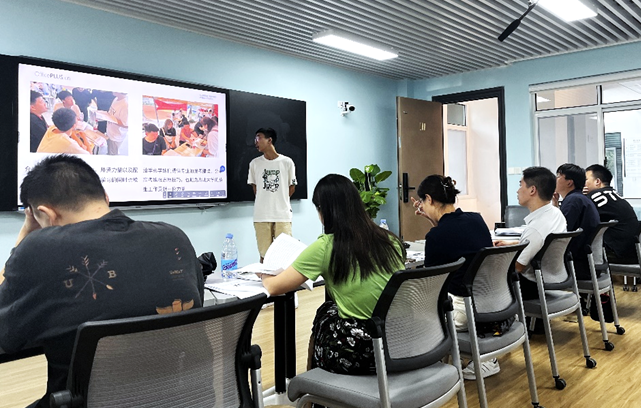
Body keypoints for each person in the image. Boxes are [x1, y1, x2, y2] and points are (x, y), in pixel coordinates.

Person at [0, 155, 204, 408]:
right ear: (106, 198)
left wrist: (24, 236)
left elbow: (6, 334)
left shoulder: (39, 248)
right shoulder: (175, 237)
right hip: (185, 399)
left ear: (45, 214)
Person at [259, 174, 406, 374]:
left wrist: (263, 272)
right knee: (329, 310)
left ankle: (313, 384)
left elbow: (274, 287)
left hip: (365, 349)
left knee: (324, 315)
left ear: (324, 210)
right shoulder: (389, 240)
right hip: (402, 339)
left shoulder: (326, 246)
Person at [410, 175, 495, 380]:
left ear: (429, 199)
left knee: (409, 308)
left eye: (422, 202)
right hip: (489, 303)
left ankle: (425, 368)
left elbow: (431, 287)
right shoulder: (476, 219)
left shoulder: (436, 237)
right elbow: (451, 232)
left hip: (461, 312)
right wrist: (432, 219)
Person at [495, 167, 567, 300]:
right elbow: (542, 244)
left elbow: (518, 267)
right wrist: (515, 244)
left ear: (532, 190)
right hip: (551, 278)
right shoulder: (556, 213)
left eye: (520, 185)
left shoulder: (536, 228)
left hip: (530, 286)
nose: (517, 190)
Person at [247, 128, 297, 262]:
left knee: (285, 254)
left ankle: (284, 277)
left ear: (269, 140)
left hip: (282, 215)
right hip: (261, 215)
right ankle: (265, 275)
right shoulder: (254, 164)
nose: (256, 141)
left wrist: (279, 200)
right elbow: (255, 189)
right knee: (265, 255)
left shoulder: (287, 162)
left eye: (259, 138)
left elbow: (291, 187)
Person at [585, 164, 639, 263]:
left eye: (586, 180)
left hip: (616, 252)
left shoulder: (593, 196)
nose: (583, 183)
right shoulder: (616, 195)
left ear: (597, 181)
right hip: (634, 251)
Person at [554, 163, 600, 280]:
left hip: (575, 265)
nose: (555, 179)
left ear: (569, 182)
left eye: (559, 176)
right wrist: (555, 206)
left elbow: (561, 233)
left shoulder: (573, 201)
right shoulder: (579, 198)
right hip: (587, 262)